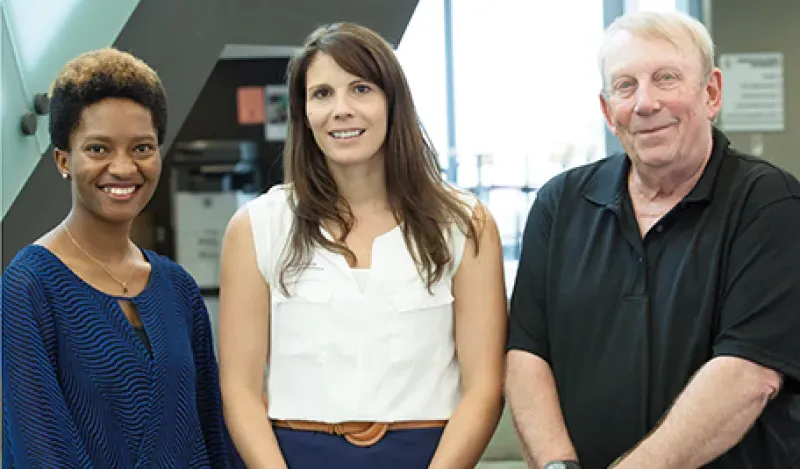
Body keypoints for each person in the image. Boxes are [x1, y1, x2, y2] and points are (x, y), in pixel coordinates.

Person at [505, 10, 800, 469]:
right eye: (625, 86)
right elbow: (527, 354)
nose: (645, 103)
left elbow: (747, 374)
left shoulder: (769, 204)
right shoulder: (559, 204)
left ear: (711, 93)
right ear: (607, 111)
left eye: (666, 78)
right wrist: (556, 465)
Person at [217, 22, 507, 469]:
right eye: (322, 94)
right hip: (293, 455)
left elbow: (485, 388)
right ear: (303, 112)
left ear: (393, 102)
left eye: (360, 89)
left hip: (429, 457)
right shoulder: (258, 225)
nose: (341, 110)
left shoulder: (463, 223)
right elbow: (239, 389)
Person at [2, 48, 237, 468]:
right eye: (97, 149)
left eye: (142, 148)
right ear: (63, 161)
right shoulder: (29, 284)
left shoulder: (177, 286)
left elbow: (210, 433)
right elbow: (39, 448)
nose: (124, 167)